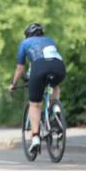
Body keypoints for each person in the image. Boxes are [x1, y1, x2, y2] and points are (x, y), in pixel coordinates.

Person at [8, 23, 67, 156]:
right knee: (54, 85)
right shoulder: (50, 40)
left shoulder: (25, 43)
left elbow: (20, 68)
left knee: (35, 104)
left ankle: (35, 137)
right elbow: (49, 58)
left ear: (27, 35)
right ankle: (55, 109)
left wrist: (13, 84)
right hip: (59, 68)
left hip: (39, 68)